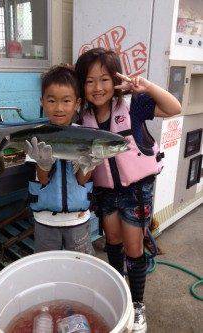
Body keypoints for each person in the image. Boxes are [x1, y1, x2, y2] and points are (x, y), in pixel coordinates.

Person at [75, 48, 181, 332]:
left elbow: (175, 108)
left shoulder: (134, 105)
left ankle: (137, 305)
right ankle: (119, 289)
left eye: (105, 79)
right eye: (89, 81)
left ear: (115, 81)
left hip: (136, 191)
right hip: (106, 192)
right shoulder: (81, 118)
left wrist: (146, 86)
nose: (98, 88)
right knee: (112, 242)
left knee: (134, 248)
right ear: (81, 85)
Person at [25, 65, 101, 255]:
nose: (58, 108)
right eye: (51, 100)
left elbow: (82, 180)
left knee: (80, 268)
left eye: (66, 101)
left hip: (78, 219)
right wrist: (43, 165)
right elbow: (42, 180)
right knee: (47, 268)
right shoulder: (35, 138)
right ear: (42, 101)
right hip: (45, 221)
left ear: (77, 103)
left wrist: (87, 165)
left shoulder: (86, 136)